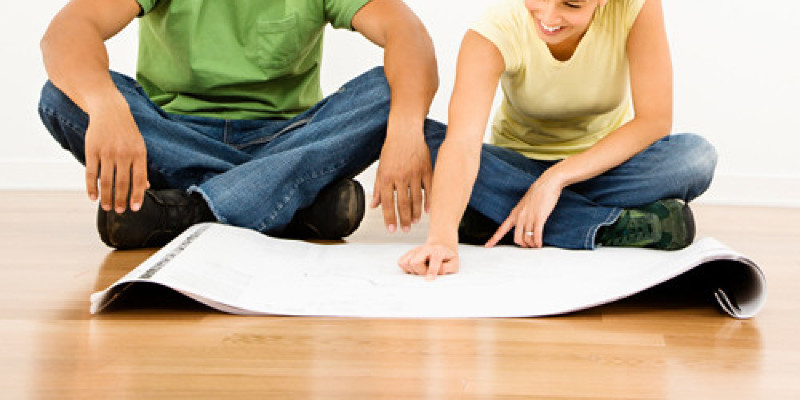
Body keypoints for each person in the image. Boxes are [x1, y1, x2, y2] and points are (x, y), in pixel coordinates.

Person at [38, 0, 445, 249]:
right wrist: (107, 107)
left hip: (285, 140)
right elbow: (68, 30)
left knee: (387, 91)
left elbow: (408, 34)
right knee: (61, 97)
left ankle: (190, 210)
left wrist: (407, 129)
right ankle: (288, 201)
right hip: (176, 135)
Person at [398, 0, 717, 279]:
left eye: (572, 4)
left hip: (602, 168)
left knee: (695, 158)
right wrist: (440, 239)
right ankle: (607, 225)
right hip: (515, 170)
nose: (549, 15)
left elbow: (654, 121)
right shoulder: (492, 32)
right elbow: (463, 142)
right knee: (428, 141)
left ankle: (498, 216)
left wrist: (555, 179)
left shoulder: (637, 6)